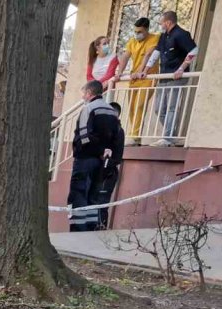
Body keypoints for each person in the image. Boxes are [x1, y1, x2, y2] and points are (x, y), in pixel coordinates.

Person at [137, 10, 198, 146]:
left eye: (161, 23)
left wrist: (181, 68)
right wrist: (145, 70)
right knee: (159, 109)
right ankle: (171, 135)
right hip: (163, 76)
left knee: (171, 108)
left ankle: (167, 138)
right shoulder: (164, 36)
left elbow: (194, 50)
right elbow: (156, 53)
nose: (161, 25)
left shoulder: (181, 34)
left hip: (176, 78)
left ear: (168, 22)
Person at [69, 80, 121, 232]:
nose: (83, 97)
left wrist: (92, 150)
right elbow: (116, 136)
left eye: (84, 93)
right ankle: (90, 229)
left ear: (89, 93)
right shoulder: (111, 111)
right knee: (93, 196)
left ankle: (78, 230)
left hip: (85, 159)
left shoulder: (88, 109)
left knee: (78, 194)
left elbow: (84, 136)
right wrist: (105, 151)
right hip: (101, 161)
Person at [116, 17, 159, 145]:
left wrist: (140, 71)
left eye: (140, 32)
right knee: (132, 107)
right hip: (134, 78)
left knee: (140, 105)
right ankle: (136, 137)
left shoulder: (154, 38)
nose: (137, 34)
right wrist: (119, 73)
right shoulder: (132, 42)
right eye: (135, 32)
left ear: (147, 29)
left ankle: (134, 136)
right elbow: (125, 57)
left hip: (147, 77)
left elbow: (148, 55)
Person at [93, 102, 126, 229]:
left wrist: (106, 163)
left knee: (101, 204)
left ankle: (100, 229)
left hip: (107, 174)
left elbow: (116, 157)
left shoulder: (118, 131)